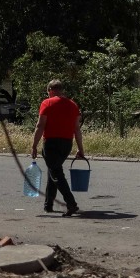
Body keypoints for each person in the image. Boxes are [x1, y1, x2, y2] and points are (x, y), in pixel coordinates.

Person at [31, 79, 85, 216]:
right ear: (61, 90)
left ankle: (71, 203)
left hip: (51, 143)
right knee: (53, 171)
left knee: (56, 174)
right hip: (67, 144)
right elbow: (77, 129)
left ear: (50, 90)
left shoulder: (47, 103)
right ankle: (48, 205)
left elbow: (40, 126)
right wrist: (80, 148)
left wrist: (34, 145)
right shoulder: (73, 105)